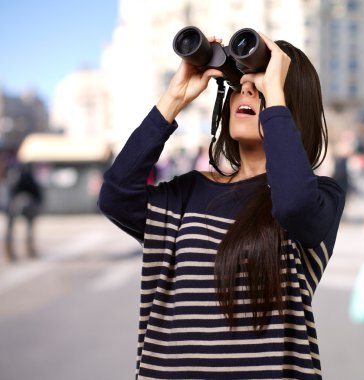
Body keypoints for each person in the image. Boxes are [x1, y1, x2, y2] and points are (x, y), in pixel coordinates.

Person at [99, 32, 345, 380]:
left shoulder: (320, 197)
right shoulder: (187, 192)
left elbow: (293, 206)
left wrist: (275, 96)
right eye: (241, 84)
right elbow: (116, 195)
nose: (247, 90)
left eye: (261, 85)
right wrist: (175, 97)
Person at [5, 162, 43, 261]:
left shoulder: (16, 176)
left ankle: (19, 249)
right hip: (20, 202)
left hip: (22, 202)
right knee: (22, 226)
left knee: (14, 227)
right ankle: (22, 249)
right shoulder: (23, 176)